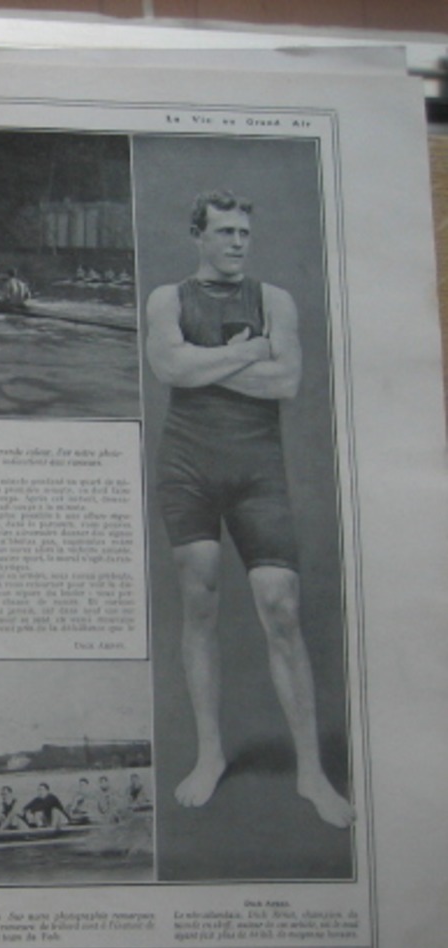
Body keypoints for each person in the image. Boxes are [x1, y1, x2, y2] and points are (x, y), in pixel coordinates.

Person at [145, 189, 352, 829]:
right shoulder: (166, 299)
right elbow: (167, 368)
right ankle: (210, 756)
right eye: (226, 231)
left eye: (244, 233)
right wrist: (247, 351)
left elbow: (285, 383)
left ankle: (312, 773)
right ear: (198, 235)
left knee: (281, 609)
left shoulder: (275, 301)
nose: (238, 242)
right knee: (200, 603)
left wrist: (202, 364)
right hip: (187, 471)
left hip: (257, 473)